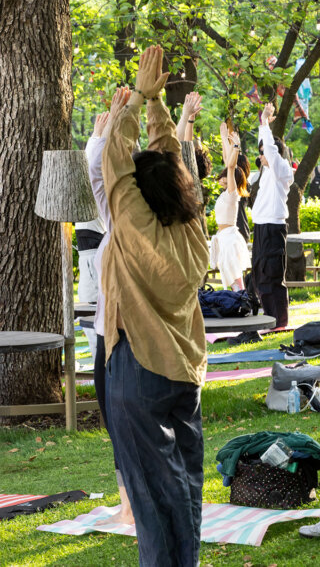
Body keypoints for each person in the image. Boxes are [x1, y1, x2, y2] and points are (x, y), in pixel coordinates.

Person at [100, 46, 209, 566]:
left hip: (139, 371)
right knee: (184, 489)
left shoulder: (135, 227)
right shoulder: (193, 228)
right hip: (184, 374)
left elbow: (116, 168)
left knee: (151, 499)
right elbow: (166, 162)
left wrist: (137, 103)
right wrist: (154, 107)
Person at [83, 88, 136, 528]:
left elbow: (102, 176)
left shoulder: (143, 225)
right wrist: (106, 132)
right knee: (115, 424)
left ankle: (137, 502)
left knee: (133, 421)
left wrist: (119, 127)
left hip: (134, 339)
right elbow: (96, 176)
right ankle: (127, 502)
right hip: (107, 336)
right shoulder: (115, 222)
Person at [251, 102, 294, 329]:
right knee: (259, 273)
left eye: (264, 153)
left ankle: (278, 321)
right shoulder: (266, 172)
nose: (262, 157)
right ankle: (268, 318)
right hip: (261, 226)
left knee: (272, 274)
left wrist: (264, 123)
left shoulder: (282, 169)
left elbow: (271, 150)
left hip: (273, 227)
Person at [209, 123, 251, 291]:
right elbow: (228, 163)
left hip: (229, 238)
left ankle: (241, 301)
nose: (221, 178)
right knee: (231, 276)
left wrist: (235, 146)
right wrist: (224, 139)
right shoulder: (226, 193)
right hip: (224, 237)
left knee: (234, 277)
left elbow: (231, 166)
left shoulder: (232, 194)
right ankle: (240, 301)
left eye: (224, 177)